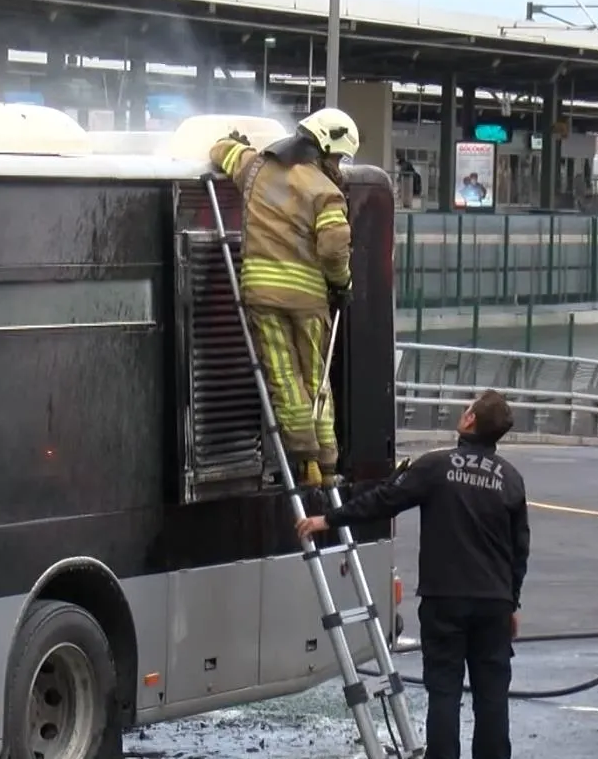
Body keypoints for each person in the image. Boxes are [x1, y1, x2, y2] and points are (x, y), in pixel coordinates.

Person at [294, 390, 531, 759]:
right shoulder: (512, 480)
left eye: (467, 409)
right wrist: (510, 601)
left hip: (445, 599)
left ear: (470, 422)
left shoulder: (436, 467)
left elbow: (384, 500)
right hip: (494, 603)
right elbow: (519, 551)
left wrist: (328, 519)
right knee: (492, 697)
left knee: (445, 693)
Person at [208, 107, 360, 488]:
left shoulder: (256, 168)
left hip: (259, 292)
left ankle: (303, 458)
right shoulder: (325, 191)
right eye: (339, 156)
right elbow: (334, 247)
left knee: (282, 377)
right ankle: (325, 465)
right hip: (307, 300)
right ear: (326, 146)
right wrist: (342, 283)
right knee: (315, 379)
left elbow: (220, 151)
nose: (339, 164)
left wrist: (236, 143)